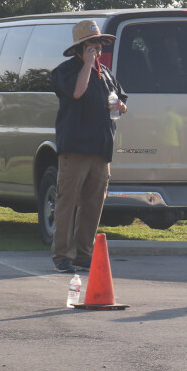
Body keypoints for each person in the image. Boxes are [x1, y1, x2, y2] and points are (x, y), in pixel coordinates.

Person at [50, 20, 128, 273]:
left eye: (99, 43)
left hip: (100, 148)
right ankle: (62, 255)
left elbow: (121, 102)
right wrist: (86, 64)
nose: (97, 48)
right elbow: (77, 93)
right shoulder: (67, 70)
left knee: (93, 203)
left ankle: (84, 254)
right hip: (75, 146)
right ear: (79, 48)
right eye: (92, 44)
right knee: (67, 201)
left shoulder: (105, 73)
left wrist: (120, 107)